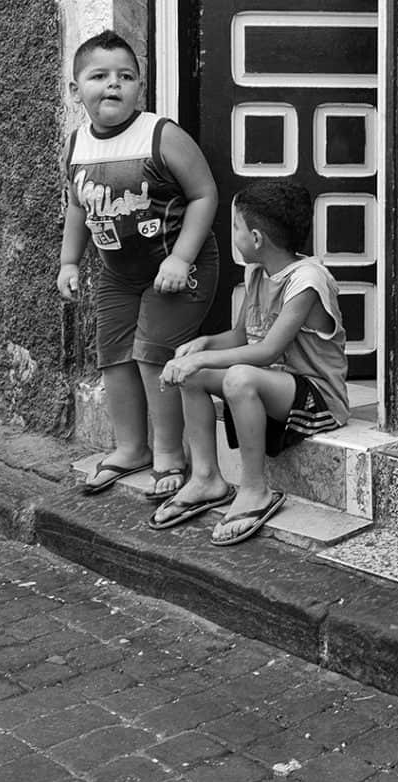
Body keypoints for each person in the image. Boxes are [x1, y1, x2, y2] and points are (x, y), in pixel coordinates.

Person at [57, 30, 220, 502]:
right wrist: (70, 261)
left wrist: (181, 256)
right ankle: (131, 447)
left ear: (140, 87)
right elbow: (76, 208)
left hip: (176, 268)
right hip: (117, 275)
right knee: (114, 357)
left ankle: (170, 455)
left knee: (153, 357)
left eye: (125, 76)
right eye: (99, 76)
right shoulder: (77, 146)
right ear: (76, 91)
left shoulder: (160, 134)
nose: (113, 85)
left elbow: (204, 194)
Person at [150, 179, 349, 546]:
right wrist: (203, 345)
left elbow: (266, 351)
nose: (234, 235)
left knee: (238, 378)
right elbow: (242, 337)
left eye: (236, 228)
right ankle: (207, 478)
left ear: (256, 238)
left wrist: (206, 359)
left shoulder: (307, 281)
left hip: (316, 398)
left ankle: (255, 489)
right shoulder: (256, 271)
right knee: (194, 376)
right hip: (271, 384)